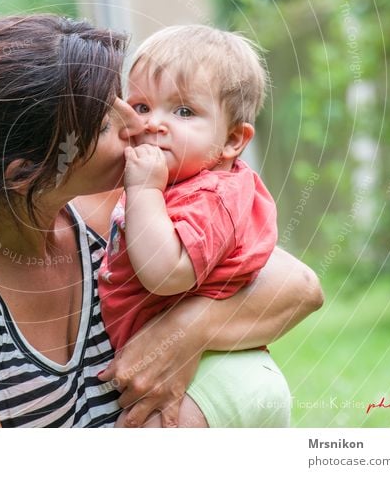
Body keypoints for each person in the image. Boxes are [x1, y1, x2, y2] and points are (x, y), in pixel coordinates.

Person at [0, 14, 323, 428]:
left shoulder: (114, 207)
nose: (138, 124)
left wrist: (182, 334)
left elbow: (299, 286)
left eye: (123, 100)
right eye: (104, 123)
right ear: (26, 173)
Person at [99, 25, 284, 428]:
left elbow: (166, 275)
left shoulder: (211, 194)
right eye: (142, 106)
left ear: (233, 141)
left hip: (211, 377)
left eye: (184, 111)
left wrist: (144, 189)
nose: (154, 124)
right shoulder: (181, 184)